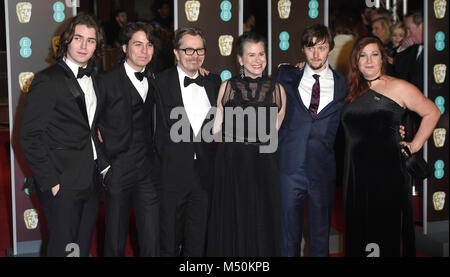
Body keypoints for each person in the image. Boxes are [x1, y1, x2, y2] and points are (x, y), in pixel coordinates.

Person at [19, 13, 109, 257]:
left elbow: (88, 127)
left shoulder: (96, 80)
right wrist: (52, 183)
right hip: (62, 182)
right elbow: (29, 135)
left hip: (90, 180)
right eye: (78, 38)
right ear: (66, 41)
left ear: (96, 46)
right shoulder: (48, 80)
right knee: (62, 249)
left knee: (79, 248)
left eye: (91, 40)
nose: (83, 46)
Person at [342, 36, 440, 257]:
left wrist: (414, 145)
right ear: (356, 61)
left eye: (374, 54)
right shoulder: (349, 89)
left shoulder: (399, 87)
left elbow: (432, 112)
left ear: (382, 58)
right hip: (356, 173)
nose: (368, 61)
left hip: (388, 173)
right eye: (363, 55)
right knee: (361, 231)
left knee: (386, 233)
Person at [206, 32, 286, 257]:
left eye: (261, 54)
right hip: (232, 164)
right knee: (232, 217)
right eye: (251, 55)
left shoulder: (278, 91)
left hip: (264, 166)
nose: (258, 59)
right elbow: (215, 131)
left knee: (262, 217)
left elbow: (274, 132)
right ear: (240, 59)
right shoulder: (227, 87)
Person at [273, 24, 347, 257]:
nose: (316, 54)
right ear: (302, 50)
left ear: (330, 50)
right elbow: (257, 92)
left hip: (322, 171)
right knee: (287, 236)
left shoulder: (343, 84)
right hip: (288, 169)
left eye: (322, 48)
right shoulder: (285, 75)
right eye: (310, 47)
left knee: (320, 237)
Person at [155, 27, 221, 256]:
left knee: (198, 239)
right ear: (176, 52)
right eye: (188, 49)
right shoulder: (159, 83)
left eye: (199, 49)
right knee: (168, 241)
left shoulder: (213, 82)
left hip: (204, 176)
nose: (194, 55)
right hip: (170, 175)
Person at [97, 22, 160, 257]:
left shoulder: (155, 79)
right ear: (124, 47)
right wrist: (104, 166)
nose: (144, 50)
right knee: (114, 240)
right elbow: (86, 126)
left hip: (148, 171)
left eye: (149, 45)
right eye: (137, 44)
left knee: (152, 239)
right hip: (118, 168)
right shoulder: (105, 81)